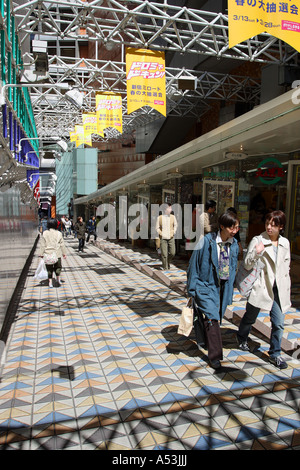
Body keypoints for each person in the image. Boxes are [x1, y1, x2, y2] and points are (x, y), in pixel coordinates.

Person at [236, 210, 291, 369]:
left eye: (273, 225)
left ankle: (275, 354)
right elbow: (247, 264)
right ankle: (241, 336)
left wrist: (286, 283)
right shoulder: (258, 240)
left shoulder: (285, 243)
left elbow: (285, 265)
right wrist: (256, 253)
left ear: (281, 226)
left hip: (278, 289)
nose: (269, 227)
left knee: (278, 323)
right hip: (261, 287)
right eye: (267, 223)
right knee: (250, 317)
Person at [187, 211, 240, 369]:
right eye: (232, 228)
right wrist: (192, 289)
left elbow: (230, 269)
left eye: (237, 228)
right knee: (212, 316)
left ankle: (205, 338)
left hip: (221, 287)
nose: (235, 231)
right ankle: (215, 356)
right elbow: (193, 266)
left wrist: (230, 290)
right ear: (222, 226)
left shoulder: (233, 244)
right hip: (205, 285)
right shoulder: (206, 241)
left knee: (214, 316)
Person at [39, 218, 66, 288]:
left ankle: (50, 283)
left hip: (48, 254)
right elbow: (62, 244)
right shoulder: (59, 233)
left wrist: (41, 254)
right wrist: (64, 253)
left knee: (49, 269)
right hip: (57, 254)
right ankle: (58, 280)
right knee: (58, 267)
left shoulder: (44, 233)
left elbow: (42, 245)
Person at [155, 203, 178, 270]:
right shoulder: (159, 218)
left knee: (172, 252)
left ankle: (167, 261)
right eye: (169, 208)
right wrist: (161, 233)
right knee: (164, 254)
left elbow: (176, 225)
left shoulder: (173, 217)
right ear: (165, 209)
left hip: (171, 237)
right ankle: (165, 267)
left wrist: (174, 232)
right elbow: (157, 228)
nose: (171, 209)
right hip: (163, 238)